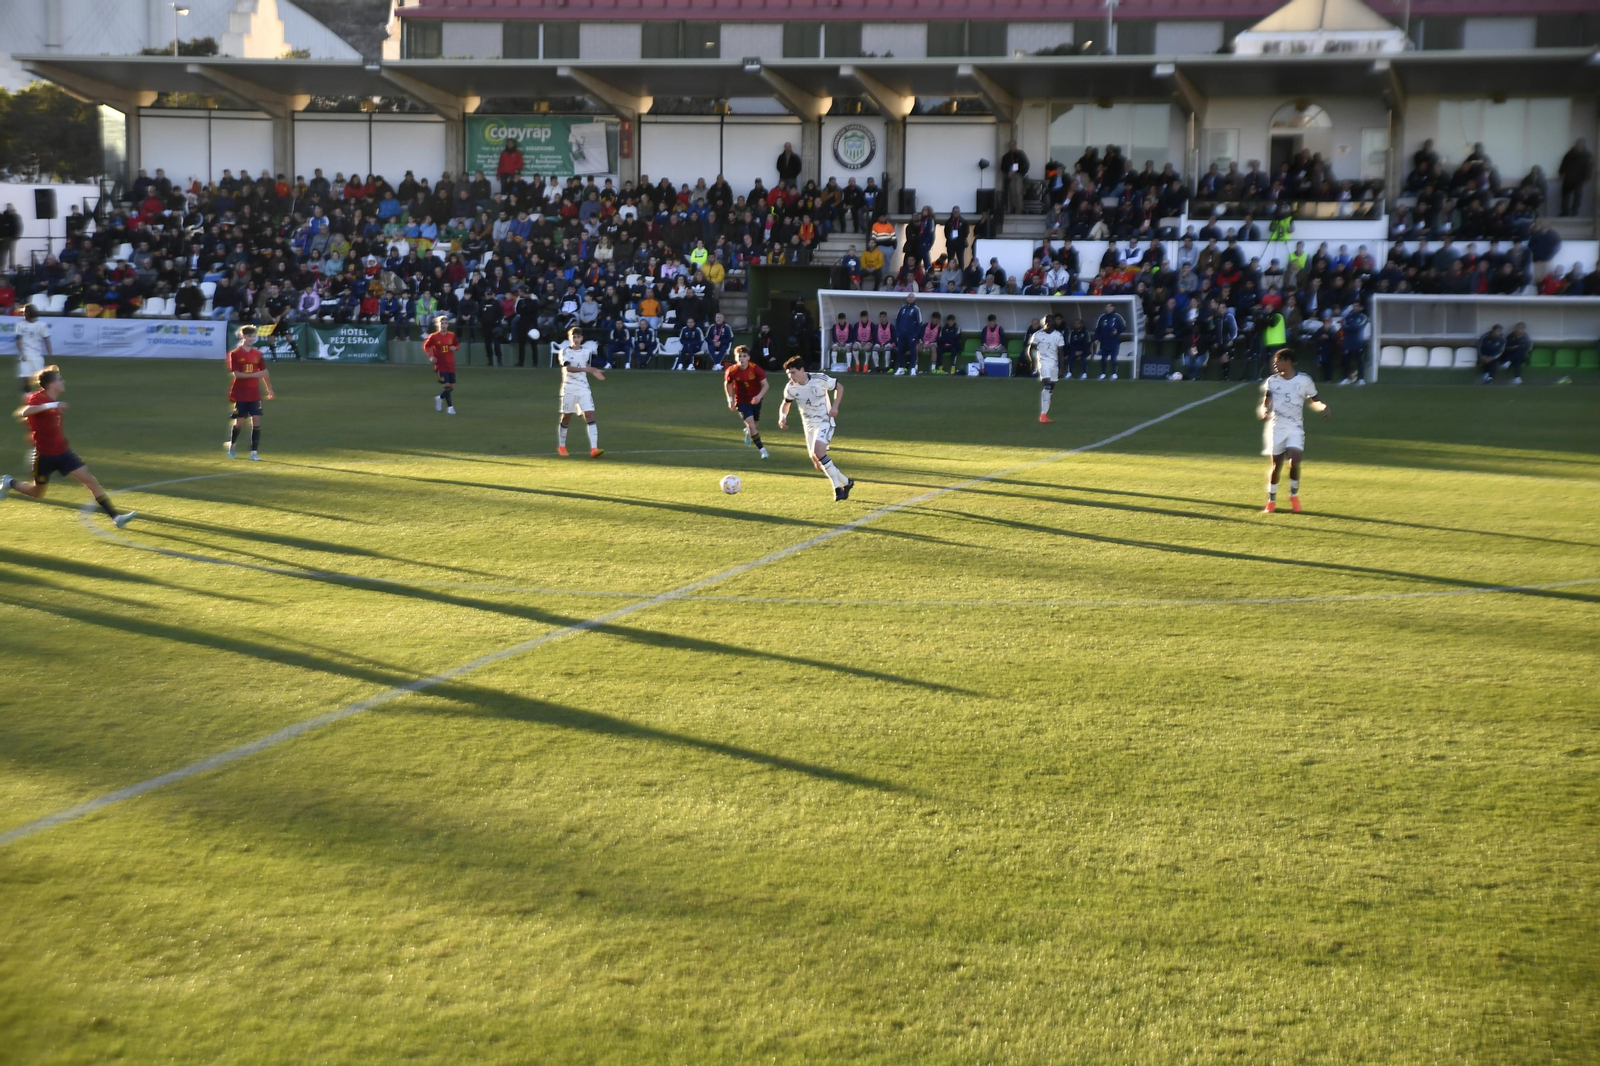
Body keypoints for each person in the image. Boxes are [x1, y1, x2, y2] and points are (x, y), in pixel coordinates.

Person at [1, 366, 137, 527]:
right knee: (37, 492)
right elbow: (25, 412)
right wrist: (51, 405)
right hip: (44, 456)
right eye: (60, 379)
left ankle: (116, 518)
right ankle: (10, 482)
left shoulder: (53, 401)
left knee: (91, 482)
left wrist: (54, 405)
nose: (63, 381)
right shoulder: (39, 398)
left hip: (63, 452)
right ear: (52, 384)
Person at [1258, 348, 1330, 514]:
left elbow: (1315, 399)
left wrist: (1324, 407)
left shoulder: (1304, 380)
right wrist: (1264, 410)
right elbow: (1266, 402)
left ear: (1289, 361)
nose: (1275, 364)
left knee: (1295, 460)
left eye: (1278, 360)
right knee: (1276, 466)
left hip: (1295, 427)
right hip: (1277, 427)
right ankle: (1271, 500)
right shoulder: (1272, 381)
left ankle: (1293, 495)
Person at [778, 356, 853, 502]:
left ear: (802, 370)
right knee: (817, 462)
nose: (791, 376)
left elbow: (839, 387)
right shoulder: (791, 387)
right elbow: (786, 403)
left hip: (824, 421)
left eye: (793, 372)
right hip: (808, 425)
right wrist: (782, 416)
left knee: (819, 452)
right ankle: (847, 482)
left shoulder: (820, 379)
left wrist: (835, 407)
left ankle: (837, 489)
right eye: (789, 374)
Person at [226, 325, 274, 460]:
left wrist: (269, 389)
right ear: (243, 336)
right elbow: (237, 374)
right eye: (249, 336)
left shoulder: (258, 354)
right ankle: (232, 446)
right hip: (240, 393)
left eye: (253, 336)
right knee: (239, 422)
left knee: (256, 420)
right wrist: (255, 374)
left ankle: (254, 453)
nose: (252, 338)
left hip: (254, 393)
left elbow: (264, 372)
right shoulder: (235, 354)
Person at [555, 326, 604, 458]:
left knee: (590, 415)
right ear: (569, 338)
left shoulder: (586, 352)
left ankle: (594, 449)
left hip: (583, 387)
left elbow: (585, 365)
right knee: (566, 417)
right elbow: (569, 368)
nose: (576, 339)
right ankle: (562, 446)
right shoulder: (564, 352)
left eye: (578, 337)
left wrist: (594, 370)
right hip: (569, 388)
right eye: (574, 337)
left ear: (582, 338)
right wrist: (587, 369)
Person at [723, 345, 771, 459]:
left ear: (748, 357)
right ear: (735, 358)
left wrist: (759, 396)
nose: (742, 359)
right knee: (751, 425)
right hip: (742, 401)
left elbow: (765, 385)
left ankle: (748, 432)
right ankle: (763, 450)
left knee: (754, 425)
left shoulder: (755, 369)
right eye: (739, 356)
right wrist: (730, 400)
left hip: (755, 400)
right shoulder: (731, 371)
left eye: (744, 356)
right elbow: (728, 384)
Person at [1027, 314, 1065, 424]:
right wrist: (1033, 362)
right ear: (1043, 323)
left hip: (1054, 364)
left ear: (1054, 323)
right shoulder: (1037, 335)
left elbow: (1061, 353)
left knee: (1051, 388)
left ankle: (1045, 412)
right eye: (1046, 321)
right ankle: (1043, 415)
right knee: (1047, 384)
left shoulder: (1058, 335)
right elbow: (1031, 349)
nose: (1048, 323)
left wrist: (1061, 368)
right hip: (1042, 362)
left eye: (1051, 321)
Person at [13, 304, 52, 397]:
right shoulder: (20, 325)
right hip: (25, 356)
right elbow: (18, 341)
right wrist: (22, 353)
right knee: (26, 379)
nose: (24, 314)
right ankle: (27, 398)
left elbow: (47, 341)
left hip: (37, 356)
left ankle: (41, 398)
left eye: (25, 312)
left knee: (41, 380)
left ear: (30, 313)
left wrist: (50, 355)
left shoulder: (42, 325)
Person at [424, 314, 460, 414]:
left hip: (451, 364)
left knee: (452, 386)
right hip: (441, 365)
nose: (443, 325)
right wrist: (431, 356)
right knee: (447, 385)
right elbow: (426, 346)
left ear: (448, 325)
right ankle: (450, 408)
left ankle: (439, 398)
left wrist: (455, 347)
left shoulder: (452, 335)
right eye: (442, 323)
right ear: (438, 324)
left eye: (445, 323)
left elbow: (457, 344)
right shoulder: (434, 336)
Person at [1093, 303, 1126, 380]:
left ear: (1113, 307)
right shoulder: (1102, 317)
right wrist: (1097, 338)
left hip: (1114, 341)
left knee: (1113, 358)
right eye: (1107, 306)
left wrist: (1117, 331)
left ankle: (1114, 373)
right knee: (1103, 359)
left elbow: (1123, 327)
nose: (1109, 308)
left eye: (1110, 306)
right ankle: (1103, 373)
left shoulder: (1117, 317)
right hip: (1104, 341)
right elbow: (1098, 329)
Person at [1559, 139, 1592, 217]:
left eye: (1580, 144)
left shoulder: (1587, 155)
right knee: (1565, 196)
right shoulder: (1570, 154)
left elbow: (1589, 168)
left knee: (1577, 196)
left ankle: (1574, 212)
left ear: (1583, 145)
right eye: (1578, 144)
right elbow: (1564, 163)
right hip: (1568, 178)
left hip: (1579, 179)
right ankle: (1565, 212)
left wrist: (1587, 178)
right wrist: (1561, 173)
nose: (1579, 146)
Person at [1338, 301, 1368, 386]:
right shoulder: (1348, 316)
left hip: (1358, 341)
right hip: (1348, 341)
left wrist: (1350, 327)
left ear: (1360, 307)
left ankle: (1361, 379)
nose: (1354, 308)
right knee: (1347, 360)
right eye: (1354, 306)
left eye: (1356, 306)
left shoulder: (1363, 317)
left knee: (1359, 360)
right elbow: (1344, 325)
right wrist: (1352, 327)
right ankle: (1346, 378)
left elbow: (1358, 327)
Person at [893, 292, 922, 376]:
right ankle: (900, 368)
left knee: (913, 351)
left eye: (912, 297)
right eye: (909, 297)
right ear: (907, 298)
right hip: (902, 334)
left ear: (914, 299)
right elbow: (897, 320)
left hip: (911, 334)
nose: (910, 298)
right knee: (900, 350)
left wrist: (917, 334)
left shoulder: (916, 309)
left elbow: (919, 323)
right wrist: (898, 332)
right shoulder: (902, 308)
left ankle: (913, 368)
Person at [1000, 140, 1029, 215]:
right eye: (1010, 145)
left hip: (1018, 175)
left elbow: (1027, 164)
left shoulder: (1020, 154)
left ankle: (1020, 209)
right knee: (1012, 192)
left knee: (1018, 191)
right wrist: (1008, 173)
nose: (1011, 146)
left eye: (1013, 145)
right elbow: (1002, 167)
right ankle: (1014, 209)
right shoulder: (1006, 156)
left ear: (1016, 145)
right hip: (1011, 175)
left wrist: (1022, 173)